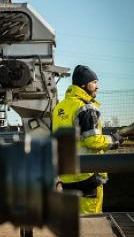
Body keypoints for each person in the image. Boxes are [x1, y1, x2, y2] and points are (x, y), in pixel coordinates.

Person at [52, 65, 124, 214]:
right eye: (94, 82)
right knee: (91, 221)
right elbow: (93, 140)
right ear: (84, 84)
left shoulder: (60, 107)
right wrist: (114, 140)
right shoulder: (86, 108)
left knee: (74, 219)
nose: (97, 86)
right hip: (87, 175)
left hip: (67, 175)